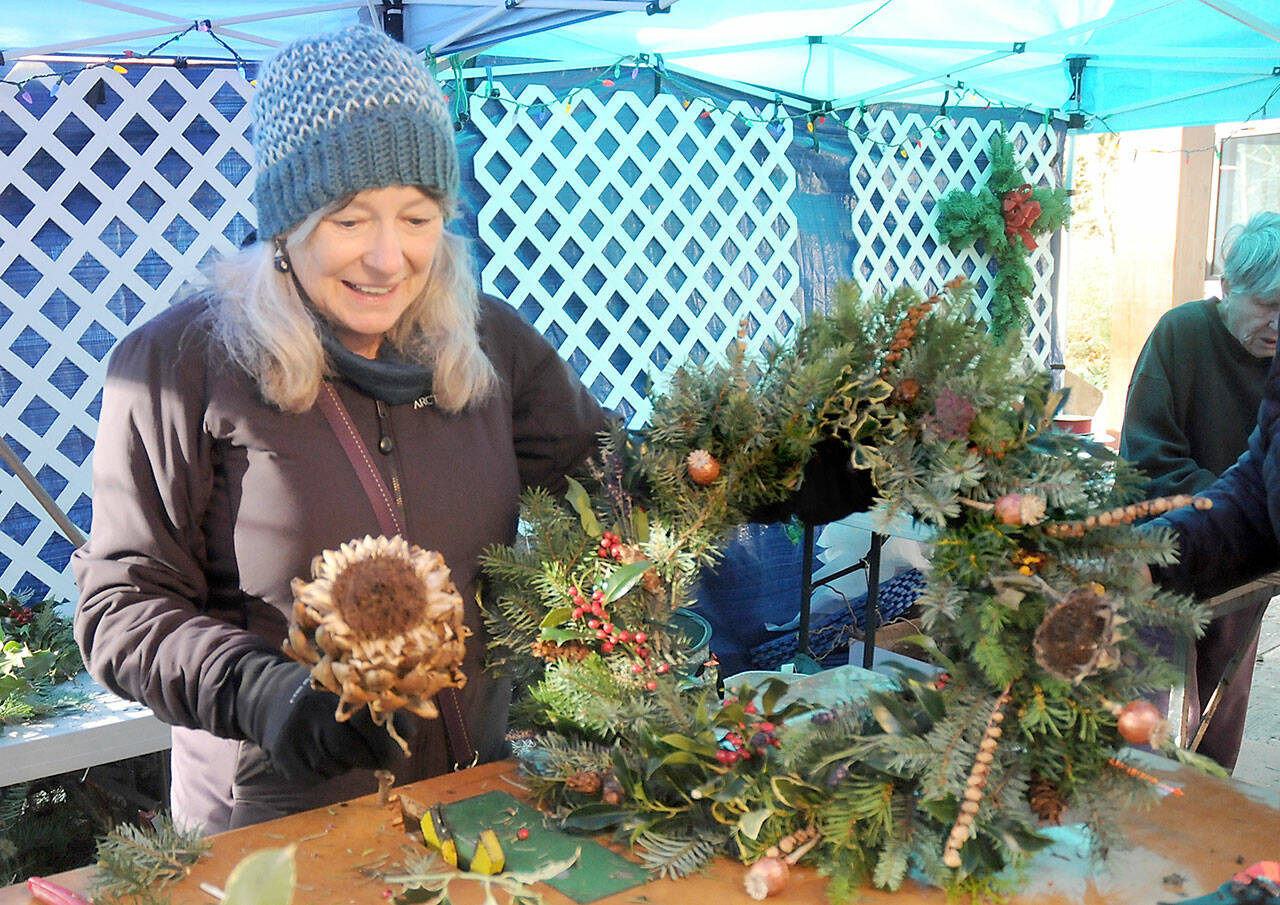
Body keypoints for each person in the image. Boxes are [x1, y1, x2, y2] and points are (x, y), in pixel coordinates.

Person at [72, 25, 607, 833]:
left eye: (418, 216)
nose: (390, 258)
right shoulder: (179, 362)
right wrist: (269, 692)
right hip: (275, 828)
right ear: (287, 220)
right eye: (351, 219)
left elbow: (612, 481)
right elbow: (122, 606)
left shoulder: (491, 342)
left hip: (471, 806)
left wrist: (769, 463)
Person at [1121, 211, 1280, 770]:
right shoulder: (1182, 332)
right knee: (1148, 686)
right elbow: (1147, 454)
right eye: (1268, 303)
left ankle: (1213, 794)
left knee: (1225, 685)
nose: (1278, 324)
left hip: (1245, 548)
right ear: (1230, 285)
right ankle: (1133, 790)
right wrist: (1221, 513)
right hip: (1169, 537)